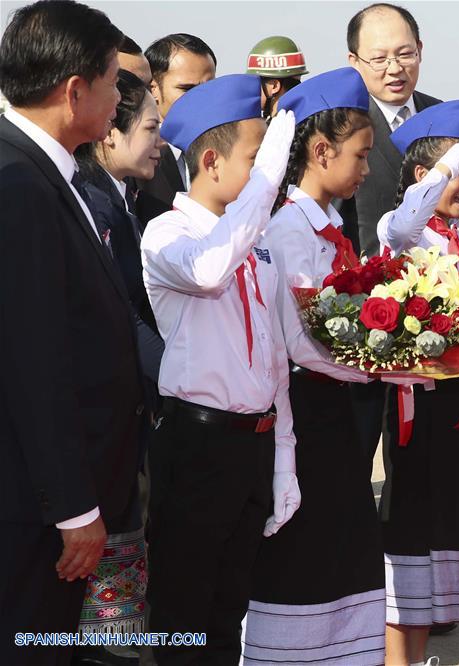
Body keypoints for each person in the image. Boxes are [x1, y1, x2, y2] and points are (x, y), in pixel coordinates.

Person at [0, 2, 144, 664]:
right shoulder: (21, 186)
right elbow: (33, 364)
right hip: (37, 515)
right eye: (115, 81)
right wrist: (74, 509)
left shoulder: (46, 174)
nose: (122, 98)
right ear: (74, 90)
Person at [140, 75, 298, 664]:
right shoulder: (169, 234)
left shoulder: (253, 242)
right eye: (256, 160)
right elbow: (209, 271)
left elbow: (274, 358)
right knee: (184, 613)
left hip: (252, 447)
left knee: (230, 609)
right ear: (211, 161)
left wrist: (284, 460)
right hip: (198, 443)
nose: (269, 176)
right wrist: (267, 180)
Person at [244, 67, 386, 666]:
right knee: (308, 554)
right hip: (304, 419)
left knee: (345, 553)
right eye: (361, 155)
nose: (367, 170)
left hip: (335, 415)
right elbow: (302, 344)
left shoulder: (330, 227)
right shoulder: (289, 229)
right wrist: (386, 365)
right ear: (321, 150)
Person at [376, 100, 459, 665]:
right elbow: (403, 221)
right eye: (457, 172)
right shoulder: (404, 231)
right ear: (424, 177)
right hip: (419, 410)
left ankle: (416, 659)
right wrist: (446, 167)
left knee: (443, 536)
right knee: (411, 535)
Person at [70, 69, 164, 661]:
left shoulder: (119, 199)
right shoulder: (92, 201)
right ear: (109, 133)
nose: (159, 141)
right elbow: (125, 316)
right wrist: (178, 378)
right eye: (151, 127)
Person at [344, 2, 442, 483]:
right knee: (353, 455)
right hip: (358, 318)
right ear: (354, 62)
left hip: (434, 319)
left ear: (420, 51)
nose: (394, 68)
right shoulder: (336, 122)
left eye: (404, 54)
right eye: (378, 57)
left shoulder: (444, 116)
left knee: (419, 465)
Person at [135, 33, 216, 226]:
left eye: (210, 88)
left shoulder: (227, 154)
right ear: (154, 89)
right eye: (187, 89)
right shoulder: (135, 157)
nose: (200, 99)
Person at [246, 35, 308, 119]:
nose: (251, 89)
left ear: (274, 86)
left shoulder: (278, 129)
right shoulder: (307, 122)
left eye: (255, 82)